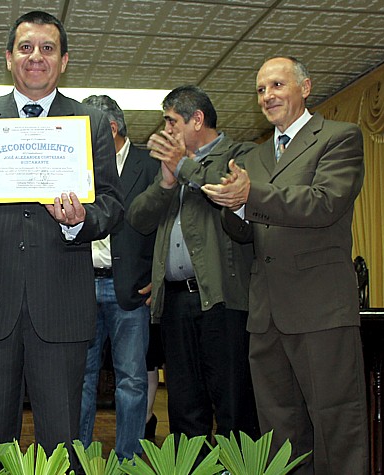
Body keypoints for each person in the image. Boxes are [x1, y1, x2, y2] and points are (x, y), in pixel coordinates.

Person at [0, 10, 123, 455]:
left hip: (60, 303)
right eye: (25, 47)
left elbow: (112, 204)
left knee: (61, 441)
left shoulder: (91, 123)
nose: (36, 56)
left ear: (64, 61)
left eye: (47, 48)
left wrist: (80, 222)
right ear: (8, 58)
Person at [202, 56, 368, 474]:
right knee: (278, 429)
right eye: (260, 90)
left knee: (336, 423)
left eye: (277, 85)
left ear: (305, 88)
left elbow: (325, 203)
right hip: (266, 312)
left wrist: (249, 197)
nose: (267, 97)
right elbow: (244, 233)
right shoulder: (255, 157)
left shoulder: (338, 137)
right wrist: (233, 209)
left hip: (320, 309)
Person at [127, 85, 259, 443]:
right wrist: (166, 183)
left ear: (196, 119)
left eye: (171, 122)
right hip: (174, 303)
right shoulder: (171, 170)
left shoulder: (240, 154)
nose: (166, 130)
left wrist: (183, 166)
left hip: (223, 302)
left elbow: (227, 194)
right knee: (185, 408)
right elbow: (138, 219)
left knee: (233, 405)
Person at [76, 95, 157, 461]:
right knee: (80, 382)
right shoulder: (76, 165)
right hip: (79, 288)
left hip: (131, 290)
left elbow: (168, 223)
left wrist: (161, 274)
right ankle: (75, 462)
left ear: (108, 129)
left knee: (132, 382)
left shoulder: (151, 166)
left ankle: (128, 463)